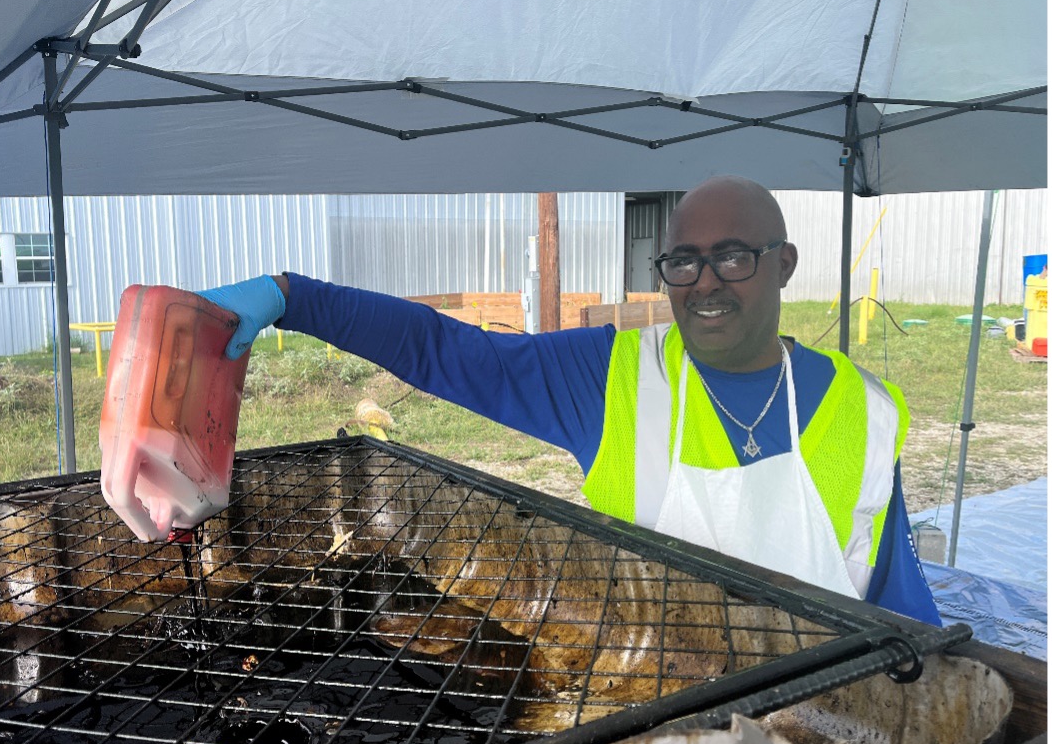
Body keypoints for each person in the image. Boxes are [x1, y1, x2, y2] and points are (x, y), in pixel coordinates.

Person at [196, 176, 940, 624]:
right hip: (657, 701)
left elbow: (895, 592)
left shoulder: (864, 408)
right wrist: (292, 297)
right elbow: (445, 353)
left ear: (783, 265)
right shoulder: (610, 375)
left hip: (825, 708)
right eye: (682, 261)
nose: (705, 282)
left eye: (733, 257)